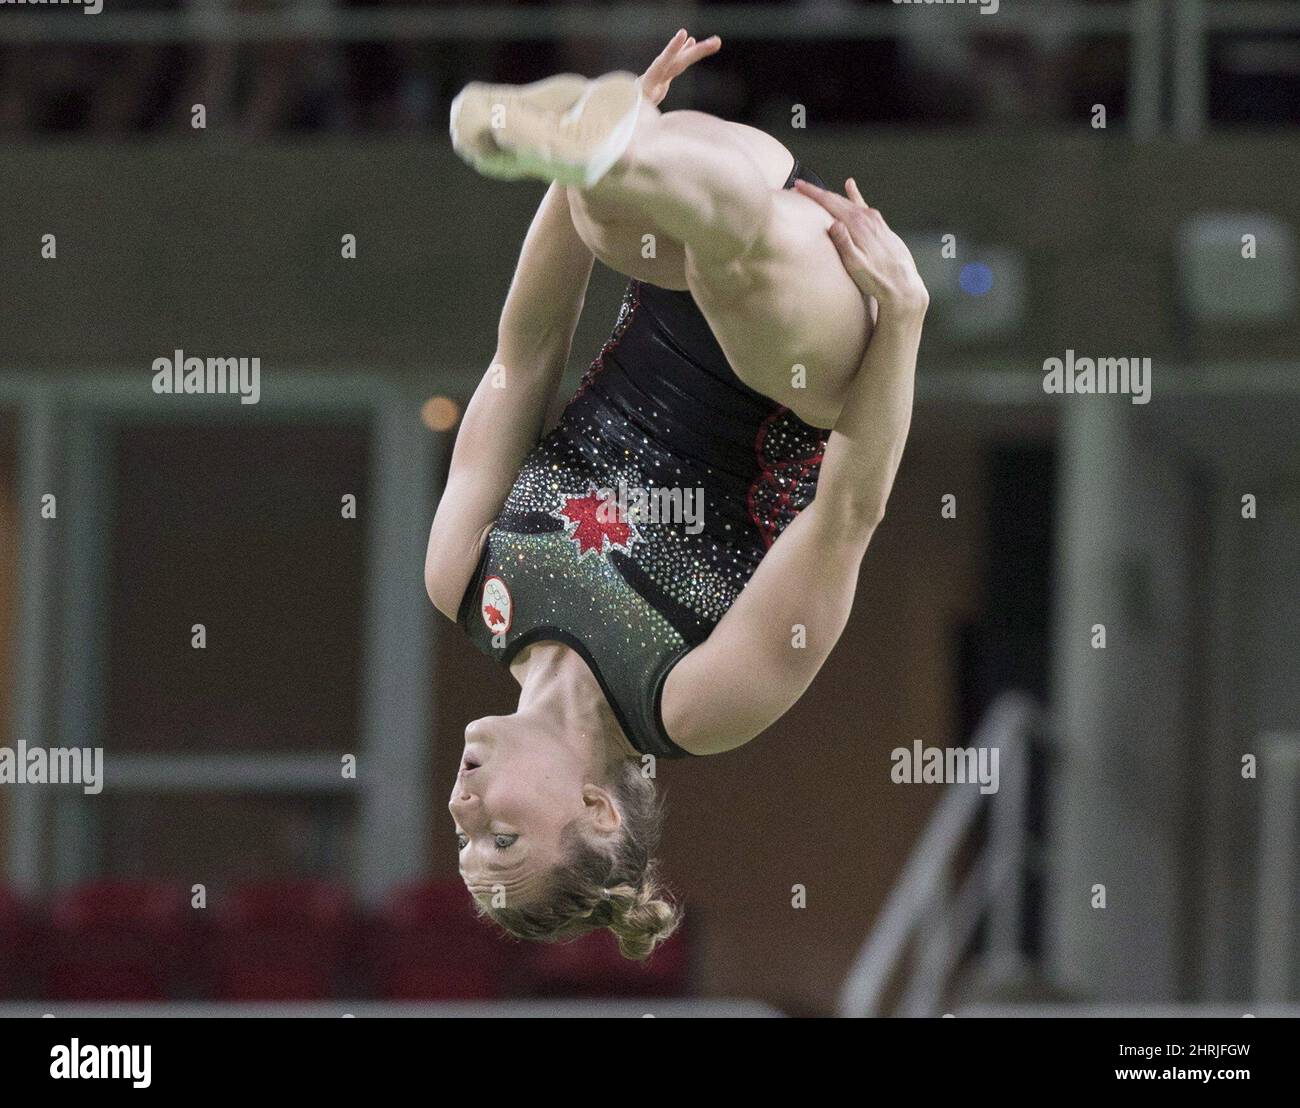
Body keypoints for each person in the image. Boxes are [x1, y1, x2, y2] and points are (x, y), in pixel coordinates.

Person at [426, 32, 928, 958]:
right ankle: (621, 154)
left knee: (622, 227)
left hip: (670, 252)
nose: (462, 803)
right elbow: (847, 516)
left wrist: (572, 181)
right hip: (811, 360)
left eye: (463, 837)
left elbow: (525, 353)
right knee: (733, 268)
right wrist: (903, 320)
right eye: (501, 835)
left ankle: (610, 148)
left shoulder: (467, 582)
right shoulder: (695, 702)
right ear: (598, 812)